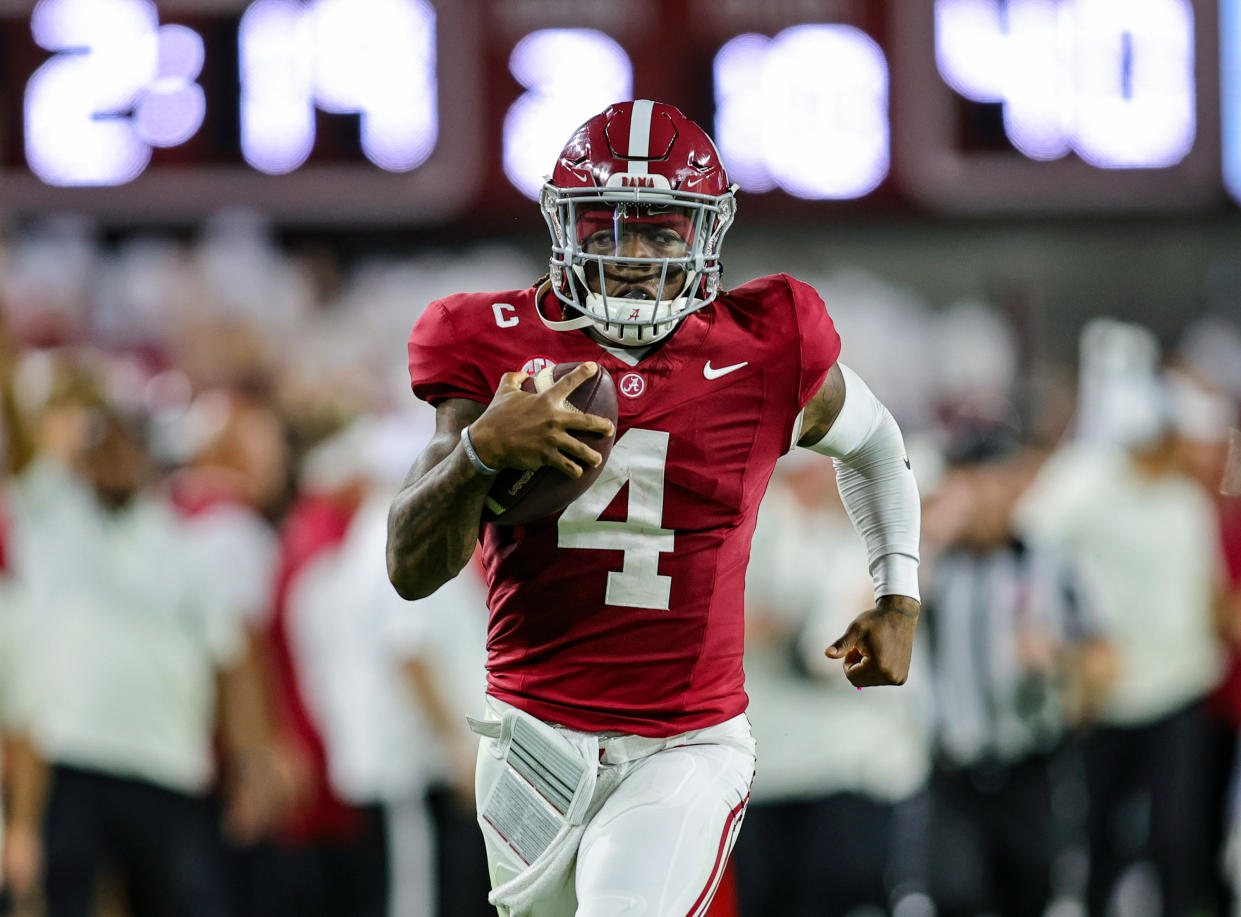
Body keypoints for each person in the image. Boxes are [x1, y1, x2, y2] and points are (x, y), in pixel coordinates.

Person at [386, 100, 922, 917]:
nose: (631, 257)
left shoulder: (765, 346)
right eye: (604, 228)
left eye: (659, 232)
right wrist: (482, 450)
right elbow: (410, 568)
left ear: (704, 235)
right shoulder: (488, 343)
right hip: (530, 731)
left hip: (685, 739)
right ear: (564, 227)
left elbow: (877, 445)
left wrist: (897, 591)